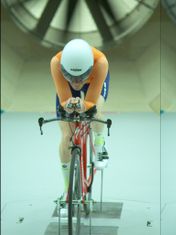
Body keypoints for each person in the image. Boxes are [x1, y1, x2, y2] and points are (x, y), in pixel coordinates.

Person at [50, 38, 110, 216]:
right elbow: (64, 101)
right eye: (71, 77)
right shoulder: (56, 63)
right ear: (63, 69)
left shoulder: (100, 63)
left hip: (94, 81)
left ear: (88, 69)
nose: (76, 83)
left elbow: (90, 102)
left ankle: (99, 144)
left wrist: (86, 106)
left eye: (80, 78)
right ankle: (67, 191)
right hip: (69, 81)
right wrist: (69, 106)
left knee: (95, 111)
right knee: (66, 135)